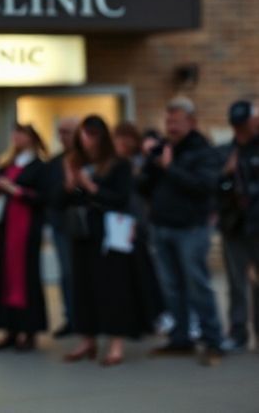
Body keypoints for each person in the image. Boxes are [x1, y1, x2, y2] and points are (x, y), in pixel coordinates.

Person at [63, 116, 161, 366]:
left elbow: (120, 199)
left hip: (109, 235)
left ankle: (116, 342)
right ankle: (87, 339)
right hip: (83, 232)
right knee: (82, 286)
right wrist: (72, 185)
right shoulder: (74, 162)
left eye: (92, 134)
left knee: (113, 288)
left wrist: (91, 186)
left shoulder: (118, 165)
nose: (87, 140)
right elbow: (65, 199)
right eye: (84, 134)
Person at [138, 96, 224, 366]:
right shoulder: (163, 149)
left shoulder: (203, 151)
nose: (171, 126)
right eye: (168, 121)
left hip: (191, 229)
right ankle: (181, 338)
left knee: (197, 284)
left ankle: (213, 340)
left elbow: (203, 186)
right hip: (162, 226)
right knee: (172, 287)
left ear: (192, 122)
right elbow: (143, 187)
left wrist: (169, 168)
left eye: (176, 121)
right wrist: (150, 163)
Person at [0, 123, 48, 352]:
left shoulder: (39, 166)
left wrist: (16, 190)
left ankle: (28, 332)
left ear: (31, 138)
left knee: (24, 279)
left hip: (24, 231)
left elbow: (43, 197)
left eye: (21, 134)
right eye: (15, 133)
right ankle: (9, 330)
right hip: (2, 231)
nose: (16, 137)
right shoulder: (6, 163)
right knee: (3, 278)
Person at [215, 100, 259, 351]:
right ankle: (238, 332)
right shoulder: (225, 152)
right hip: (235, 225)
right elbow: (215, 189)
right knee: (236, 283)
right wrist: (226, 176)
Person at [43, 117, 79, 338]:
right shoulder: (54, 163)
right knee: (67, 273)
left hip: (88, 227)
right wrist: (67, 188)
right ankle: (72, 318)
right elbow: (50, 196)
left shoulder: (90, 160)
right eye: (60, 132)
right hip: (63, 226)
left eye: (68, 131)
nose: (63, 136)